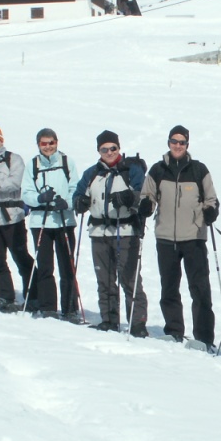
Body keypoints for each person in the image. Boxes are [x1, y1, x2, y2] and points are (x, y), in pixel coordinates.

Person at [138, 125, 219, 347]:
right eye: (174, 141)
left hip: (194, 237)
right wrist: (146, 205)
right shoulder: (158, 170)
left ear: (187, 145)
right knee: (169, 287)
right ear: (169, 143)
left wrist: (211, 211)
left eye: (182, 142)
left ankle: (204, 338)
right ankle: (174, 330)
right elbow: (148, 195)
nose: (177, 145)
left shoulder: (198, 170)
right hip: (166, 237)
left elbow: (211, 198)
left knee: (200, 289)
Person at [73, 130, 149, 336]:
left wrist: (129, 197)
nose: (109, 152)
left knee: (129, 278)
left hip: (125, 231)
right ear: (99, 151)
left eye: (113, 148)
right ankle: (109, 319)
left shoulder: (131, 170)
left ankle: (137, 323)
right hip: (99, 232)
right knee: (104, 279)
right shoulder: (92, 173)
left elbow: (144, 195)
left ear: (119, 148)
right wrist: (80, 202)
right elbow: (78, 194)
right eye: (104, 149)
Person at [21, 128, 80, 321]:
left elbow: (75, 188)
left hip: (64, 219)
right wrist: (39, 198)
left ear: (57, 142)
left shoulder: (67, 162)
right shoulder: (33, 165)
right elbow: (26, 192)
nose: (48, 147)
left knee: (67, 266)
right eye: (44, 143)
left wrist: (67, 202)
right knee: (45, 266)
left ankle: (70, 308)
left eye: (51, 143)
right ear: (38, 145)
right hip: (41, 220)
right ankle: (48, 307)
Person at [0, 123, 36, 313]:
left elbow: (15, 182)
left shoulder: (13, 159)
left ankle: (33, 296)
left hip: (12, 217)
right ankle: (4, 296)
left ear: (1, 140)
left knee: (20, 256)